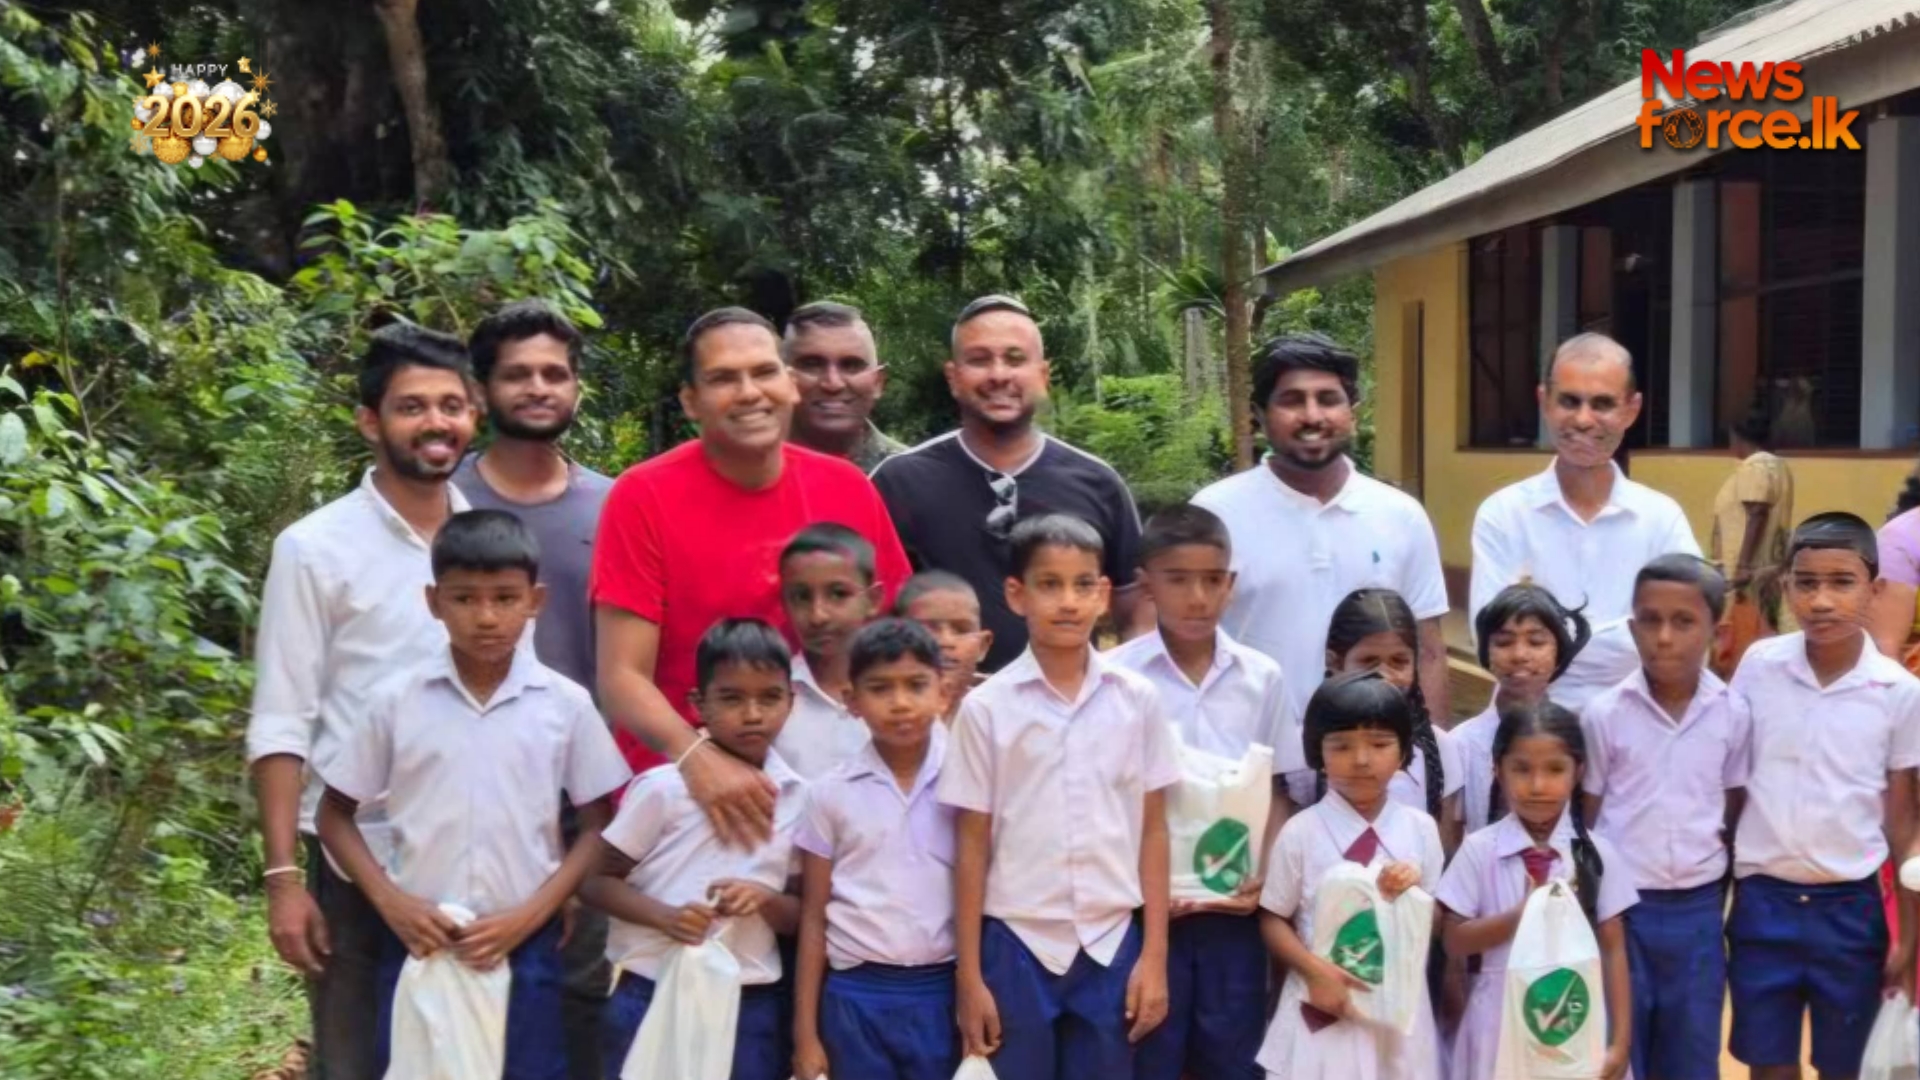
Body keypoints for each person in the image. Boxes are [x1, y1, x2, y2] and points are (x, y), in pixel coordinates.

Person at [313, 510, 631, 1080]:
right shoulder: (395, 700)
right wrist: (393, 904)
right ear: (433, 602)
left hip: (525, 941)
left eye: (505, 598)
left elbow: (596, 822)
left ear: (535, 601)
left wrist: (537, 911)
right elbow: (334, 814)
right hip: (420, 940)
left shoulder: (563, 704)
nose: (486, 617)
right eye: (464, 599)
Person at [246, 322, 480, 1080]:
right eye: (413, 406)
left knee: (471, 1056)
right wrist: (283, 880)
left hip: (481, 852)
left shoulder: (490, 540)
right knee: (354, 1059)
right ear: (370, 422)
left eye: (452, 405)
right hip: (353, 862)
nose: (436, 422)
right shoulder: (316, 548)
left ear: (474, 416)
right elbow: (282, 718)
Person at [591, 307, 910, 849]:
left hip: (829, 798)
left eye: (764, 372)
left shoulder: (847, 489)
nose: (749, 393)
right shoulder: (642, 496)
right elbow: (622, 677)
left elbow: (893, 638)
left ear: (789, 383)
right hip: (684, 804)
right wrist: (698, 758)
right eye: (723, 378)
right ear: (690, 400)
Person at [940, 514, 1177, 1079]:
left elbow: (1153, 829)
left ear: (1103, 594)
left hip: (1111, 940)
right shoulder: (988, 709)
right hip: (1016, 942)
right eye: (1049, 584)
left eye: (1082, 585)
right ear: (1016, 595)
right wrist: (969, 976)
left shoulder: (1137, 700)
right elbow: (970, 844)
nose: (1068, 601)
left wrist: (1154, 957)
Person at [452, 298, 617, 1080]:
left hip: (585, 795)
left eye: (555, 373)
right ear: (482, 390)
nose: (539, 387)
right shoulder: (443, 502)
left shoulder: (616, 505)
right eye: (518, 374)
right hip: (462, 792)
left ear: (577, 386)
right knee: (459, 990)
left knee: (582, 995)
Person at [1105, 504, 1299, 1080]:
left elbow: (1279, 789)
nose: (1197, 598)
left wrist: (1264, 877)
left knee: (1233, 1057)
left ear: (1230, 584)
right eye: (1178, 580)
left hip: (1232, 913)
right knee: (1148, 1052)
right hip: (1143, 913)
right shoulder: (1115, 678)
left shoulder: (1262, 678)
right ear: (1147, 585)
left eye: (1212, 580)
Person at [1727, 513, 1920, 1080]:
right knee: (1769, 1064)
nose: (1822, 601)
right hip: (1763, 900)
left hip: (1851, 909)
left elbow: (1902, 824)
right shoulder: (1759, 667)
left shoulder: (1898, 692)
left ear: (1874, 590)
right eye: (1806, 583)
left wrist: (1908, 936)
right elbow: (1732, 786)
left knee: (1846, 1064)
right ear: (1787, 586)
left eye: (1842, 582)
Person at [871, 295, 1147, 672]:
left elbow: (1137, 613)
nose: (998, 375)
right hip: (938, 702)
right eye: (979, 359)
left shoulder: (1098, 483)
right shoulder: (898, 482)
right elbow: (865, 610)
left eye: (1015, 359)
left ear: (1043, 376)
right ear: (953, 377)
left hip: (1066, 702)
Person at [584, 618, 808, 1080]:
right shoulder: (662, 790)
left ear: (791, 702)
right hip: (650, 985)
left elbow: (803, 913)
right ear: (697, 703)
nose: (752, 714)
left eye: (769, 697)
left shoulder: (798, 798)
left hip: (749, 998)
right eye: (732, 698)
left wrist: (764, 899)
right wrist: (665, 917)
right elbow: (595, 883)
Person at [1193, 332, 1451, 727]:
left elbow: (1428, 651)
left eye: (1328, 399)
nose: (1312, 416)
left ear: (1353, 413)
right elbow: (1185, 644)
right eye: (1292, 400)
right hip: (1247, 752)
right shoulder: (1215, 515)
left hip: (1371, 754)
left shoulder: (1401, 516)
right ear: (1259, 415)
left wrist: (1433, 752)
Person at [1581, 554, 1749, 1080]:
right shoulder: (1605, 715)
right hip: (1622, 913)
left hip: (1697, 912)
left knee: (1691, 1052)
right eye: (1650, 621)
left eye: (1683, 622)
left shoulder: (1733, 713)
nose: (1664, 638)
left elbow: (1733, 808)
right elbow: (1587, 817)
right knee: (1621, 1051)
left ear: (1716, 632)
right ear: (1633, 628)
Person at [1469, 333, 1700, 712]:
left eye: (1603, 404)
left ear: (1632, 410)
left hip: (1638, 725)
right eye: (1569, 401)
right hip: (1530, 730)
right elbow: (1493, 638)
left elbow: (1686, 636)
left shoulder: (1661, 519)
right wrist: (1630, 637)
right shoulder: (1503, 515)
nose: (1583, 419)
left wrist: (1551, 637)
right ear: (1544, 401)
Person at [790, 619, 960, 1080]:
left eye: (916, 685)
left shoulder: (968, 783)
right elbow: (813, 915)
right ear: (852, 701)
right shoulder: (829, 794)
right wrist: (805, 1034)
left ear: (943, 693)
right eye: (880, 688)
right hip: (855, 994)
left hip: (943, 988)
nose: (900, 702)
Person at [1255, 671, 1445, 1080]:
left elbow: (1435, 922)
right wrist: (1314, 970)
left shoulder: (1421, 830)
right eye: (1341, 746)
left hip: (1397, 1011)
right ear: (1317, 753)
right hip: (1322, 1002)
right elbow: (1272, 916)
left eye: (1379, 744)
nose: (1361, 760)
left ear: (1403, 752)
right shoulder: (1302, 832)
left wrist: (1412, 898)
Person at [1437, 700, 1637, 1080]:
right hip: (1497, 1025)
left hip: (1574, 1023)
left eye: (1555, 769)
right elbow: (1454, 941)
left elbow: (1614, 950)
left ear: (1579, 772)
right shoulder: (1480, 850)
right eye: (1522, 769)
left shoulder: (1594, 854)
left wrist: (1621, 1042)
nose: (1538, 785)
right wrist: (1521, 914)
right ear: (1497, 770)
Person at [1323, 588, 1463, 851]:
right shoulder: (1308, 744)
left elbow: (1443, 855)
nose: (1385, 676)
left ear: (1415, 663)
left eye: (1399, 661)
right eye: (1368, 662)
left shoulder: (1440, 749)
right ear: (1335, 663)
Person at [1452, 584, 1592, 836]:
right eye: (1504, 642)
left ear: (1559, 651)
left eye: (1536, 642)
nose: (1519, 655)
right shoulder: (1461, 744)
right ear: (1486, 652)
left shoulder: (1582, 737)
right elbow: (1451, 837)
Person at [773, 523, 883, 780]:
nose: (818, 615)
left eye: (838, 594)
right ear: (784, 604)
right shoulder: (770, 697)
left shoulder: (904, 691)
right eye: (801, 597)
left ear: (873, 599)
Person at [1709, 406, 1794, 678]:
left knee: (1740, 635)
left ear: (1737, 437)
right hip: (1766, 566)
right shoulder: (1777, 465)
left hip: (1747, 570)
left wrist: (1743, 565)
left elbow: (1757, 512)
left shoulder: (1755, 466)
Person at [782, 300, 907, 471]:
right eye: (812, 364)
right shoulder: (748, 467)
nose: (833, 384)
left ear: (878, 382)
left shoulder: (908, 475)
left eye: (851, 365)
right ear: (780, 378)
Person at [894, 570, 994, 720]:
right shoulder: (870, 707)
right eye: (928, 629)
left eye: (961, 630)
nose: (945, 642)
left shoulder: (1004, 709)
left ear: (982, 646)